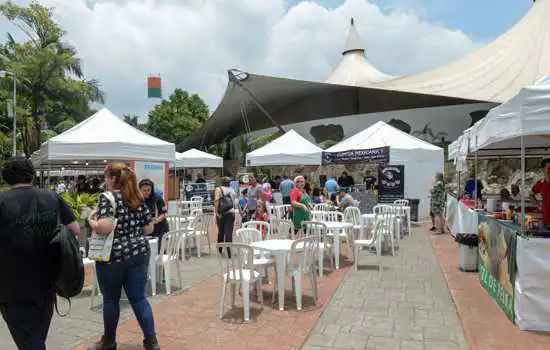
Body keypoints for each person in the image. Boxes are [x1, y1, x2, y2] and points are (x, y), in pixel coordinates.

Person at [0, 157, 80, 350]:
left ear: (7, 177)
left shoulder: (2, 201)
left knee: (30, 342)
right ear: (32, 174)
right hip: (48, 280)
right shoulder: (52, 197)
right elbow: (75, 229)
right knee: (36, 336)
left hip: (11, 283)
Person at [87, 163, 159, 350]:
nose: (105, 181)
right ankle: (151, 341)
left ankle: (109, 341)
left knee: (111, 299)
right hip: (139, 253)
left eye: (106, 177)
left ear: (112, 179)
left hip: (113, 256)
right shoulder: (137, 198)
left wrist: (92, 221)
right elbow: (149, 228)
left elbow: (105, 227)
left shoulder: (107, 197)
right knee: (139, 298)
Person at [139, 179, 169, 251]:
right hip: (145, 228)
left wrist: (157, 220)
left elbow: (164, 213)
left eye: (148, 190)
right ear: (139, 190)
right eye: (144, 190)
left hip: (159, 227)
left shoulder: (157, 198)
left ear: (152, 189)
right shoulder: (138, 199)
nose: (146, 192)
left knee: (156, 250)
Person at [214, 177, 237, 257]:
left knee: (221, 231)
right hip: (231, 213)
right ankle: (229, 251)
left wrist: (216, 212)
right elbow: (234, 203)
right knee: (228, 232)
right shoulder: (233, 190)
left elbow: (217, 201)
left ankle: (220, 250)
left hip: (221, 213)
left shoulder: (218, 189)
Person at [531, 158, 550, 229]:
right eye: (548, 168)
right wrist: (538, 206)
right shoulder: (541, 183)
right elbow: (530, 195)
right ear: (543, 170)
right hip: (545, 220)